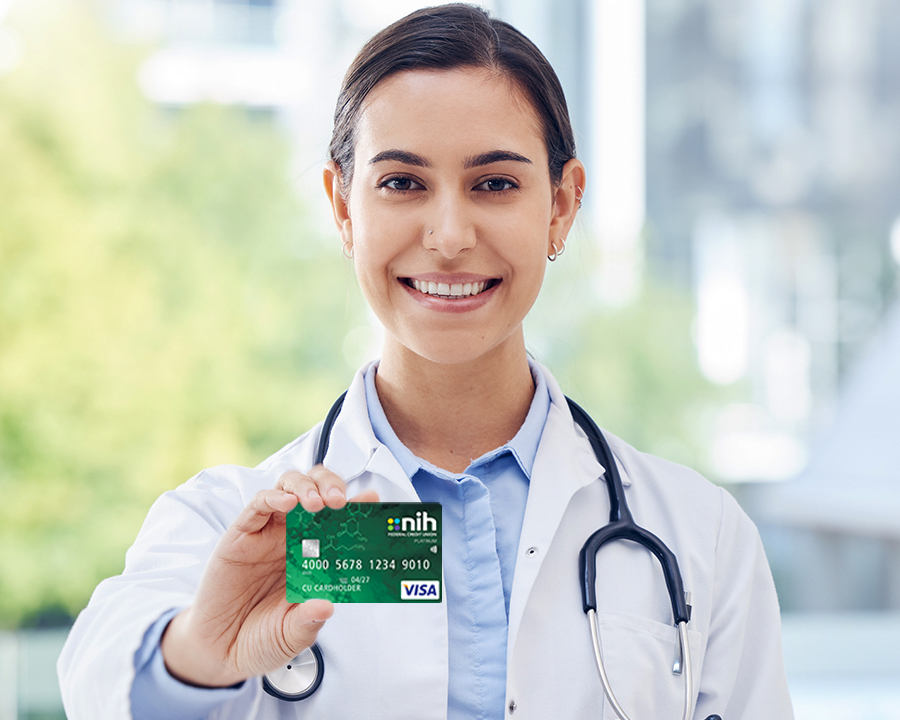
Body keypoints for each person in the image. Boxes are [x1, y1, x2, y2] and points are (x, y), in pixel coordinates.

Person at [58, 4, 794, 719]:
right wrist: (198, 655)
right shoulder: (228, 526)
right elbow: (100, 682)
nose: (448, 235)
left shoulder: (700, 536)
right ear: (343, 207)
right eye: (402, 183)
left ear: (562, 206)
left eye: (495, 184)